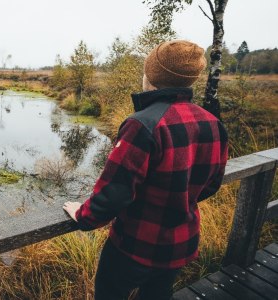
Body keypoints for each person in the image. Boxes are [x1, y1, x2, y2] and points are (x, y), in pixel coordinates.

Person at [63, 40, 228, 300]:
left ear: (151, 77)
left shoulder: (143, 124)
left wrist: (83, 215)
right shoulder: (213, 123)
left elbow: (114, 192)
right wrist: (176, 201)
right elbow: (211, 184)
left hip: (134, 246)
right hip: (179, 245)